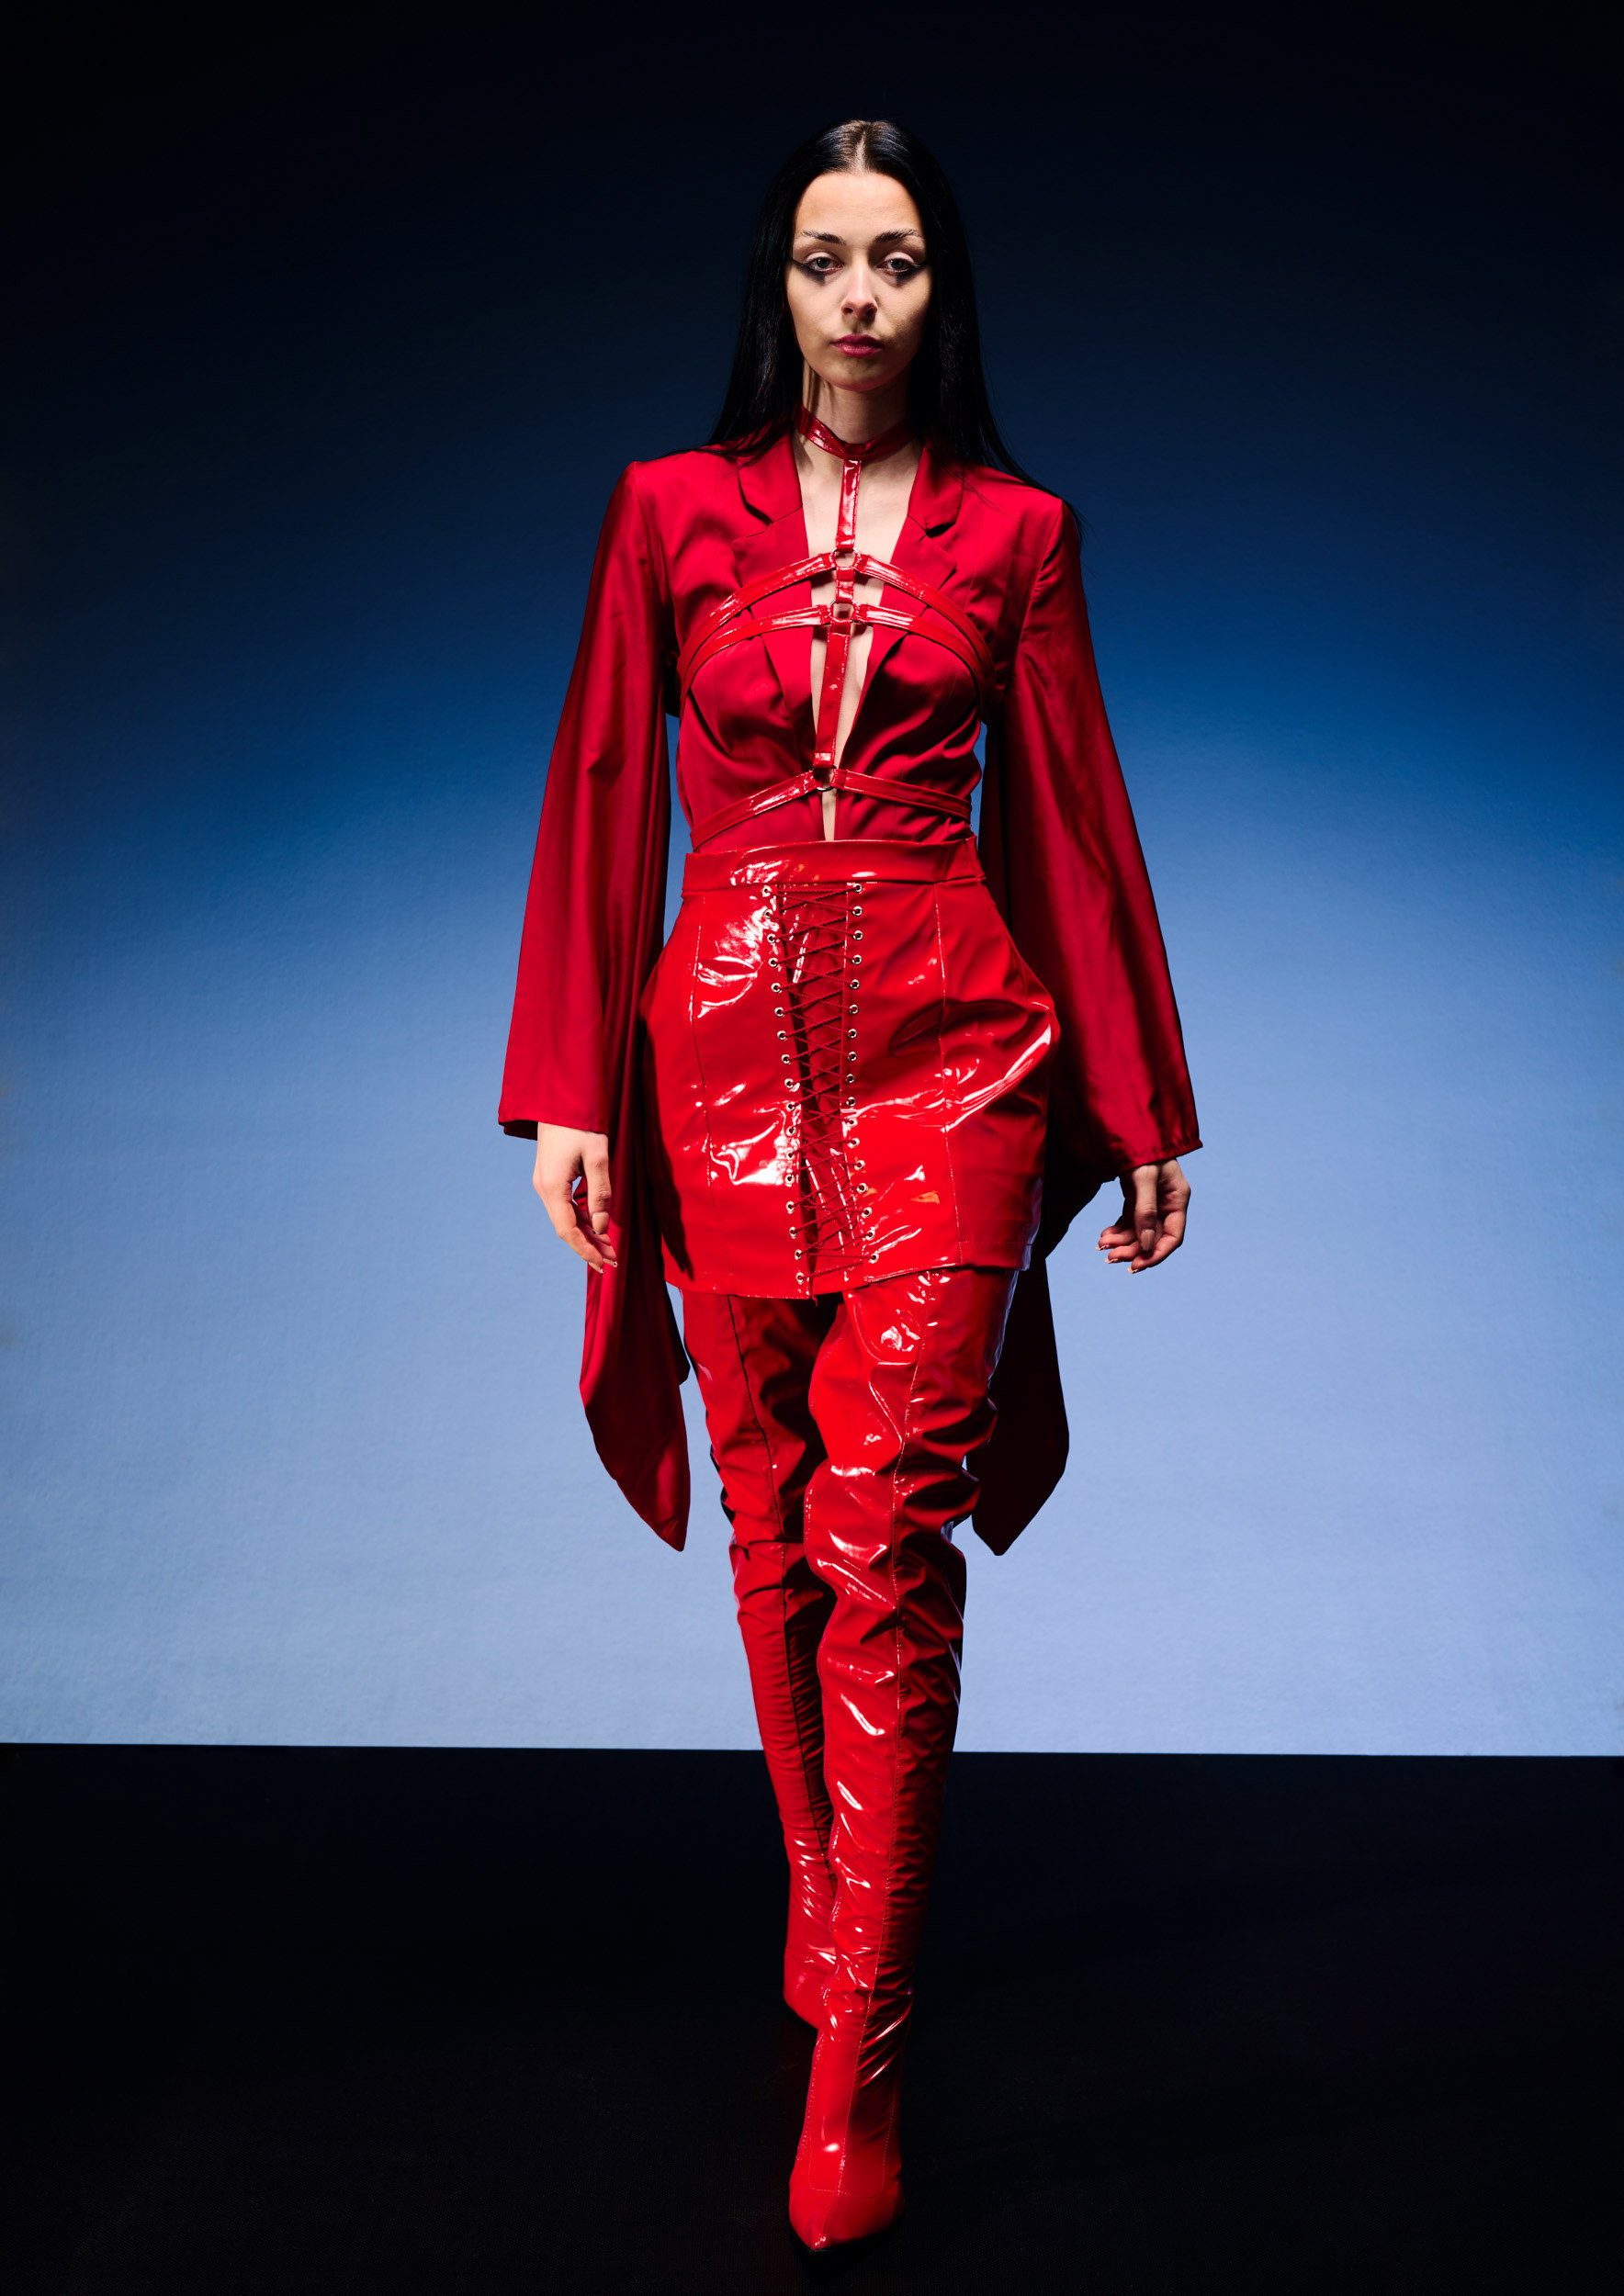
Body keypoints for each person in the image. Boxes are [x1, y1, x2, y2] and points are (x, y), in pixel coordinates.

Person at [499, 117, 1200, 2251]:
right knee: (773, 1507)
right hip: (713, 1038)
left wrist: (1139, 1100)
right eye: (824, 258)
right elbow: (601, 781)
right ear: (779, 286)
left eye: (894, 257)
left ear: (938, 287)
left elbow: (1067, 805)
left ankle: (860, 2051)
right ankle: (822, 1895)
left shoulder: (1019, 530)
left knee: (887, 1526)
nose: (860, 295)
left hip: (947, 1042)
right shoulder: (664, 511)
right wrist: (570, 1090)